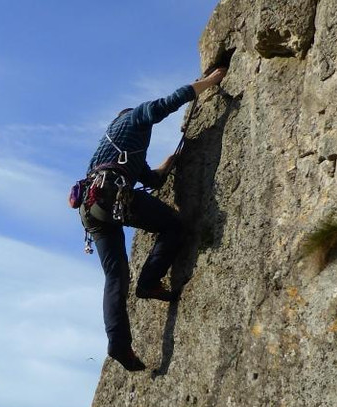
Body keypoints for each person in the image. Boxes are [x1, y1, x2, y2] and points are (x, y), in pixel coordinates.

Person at [79, 67, 227, 371]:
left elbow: (151, 179)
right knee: (173, 226)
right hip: (110, 195)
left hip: (92, 207)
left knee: (116, 278)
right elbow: (168, 103)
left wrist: (168, 163)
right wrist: (210, 82)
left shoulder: (115, 148)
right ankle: (149, 283)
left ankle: (119, 345)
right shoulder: (133, 118)